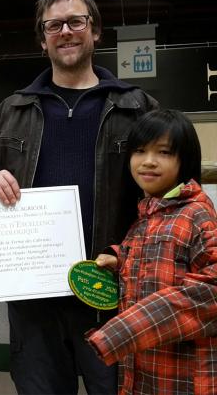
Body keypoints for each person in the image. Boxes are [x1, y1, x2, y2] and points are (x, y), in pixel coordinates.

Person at [0, 0, 159, 395]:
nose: (66, 31)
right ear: (43, 39)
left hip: (112, 295)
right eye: (54, 25)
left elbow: (163, 197)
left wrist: (126, 255)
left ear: (95, 31)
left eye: (76, 21)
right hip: (33, 301)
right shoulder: (12, 110)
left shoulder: (138, 107)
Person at [88, 109, 217, 394]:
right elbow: (162, 259)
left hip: (183, 379)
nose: (148, 162)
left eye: (164, 152)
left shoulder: (197, 215)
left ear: (185, 159)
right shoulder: (148, 213)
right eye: (140, 151)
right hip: (140, 375)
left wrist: (121, 332)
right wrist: (120, 257)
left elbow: (211, 291)